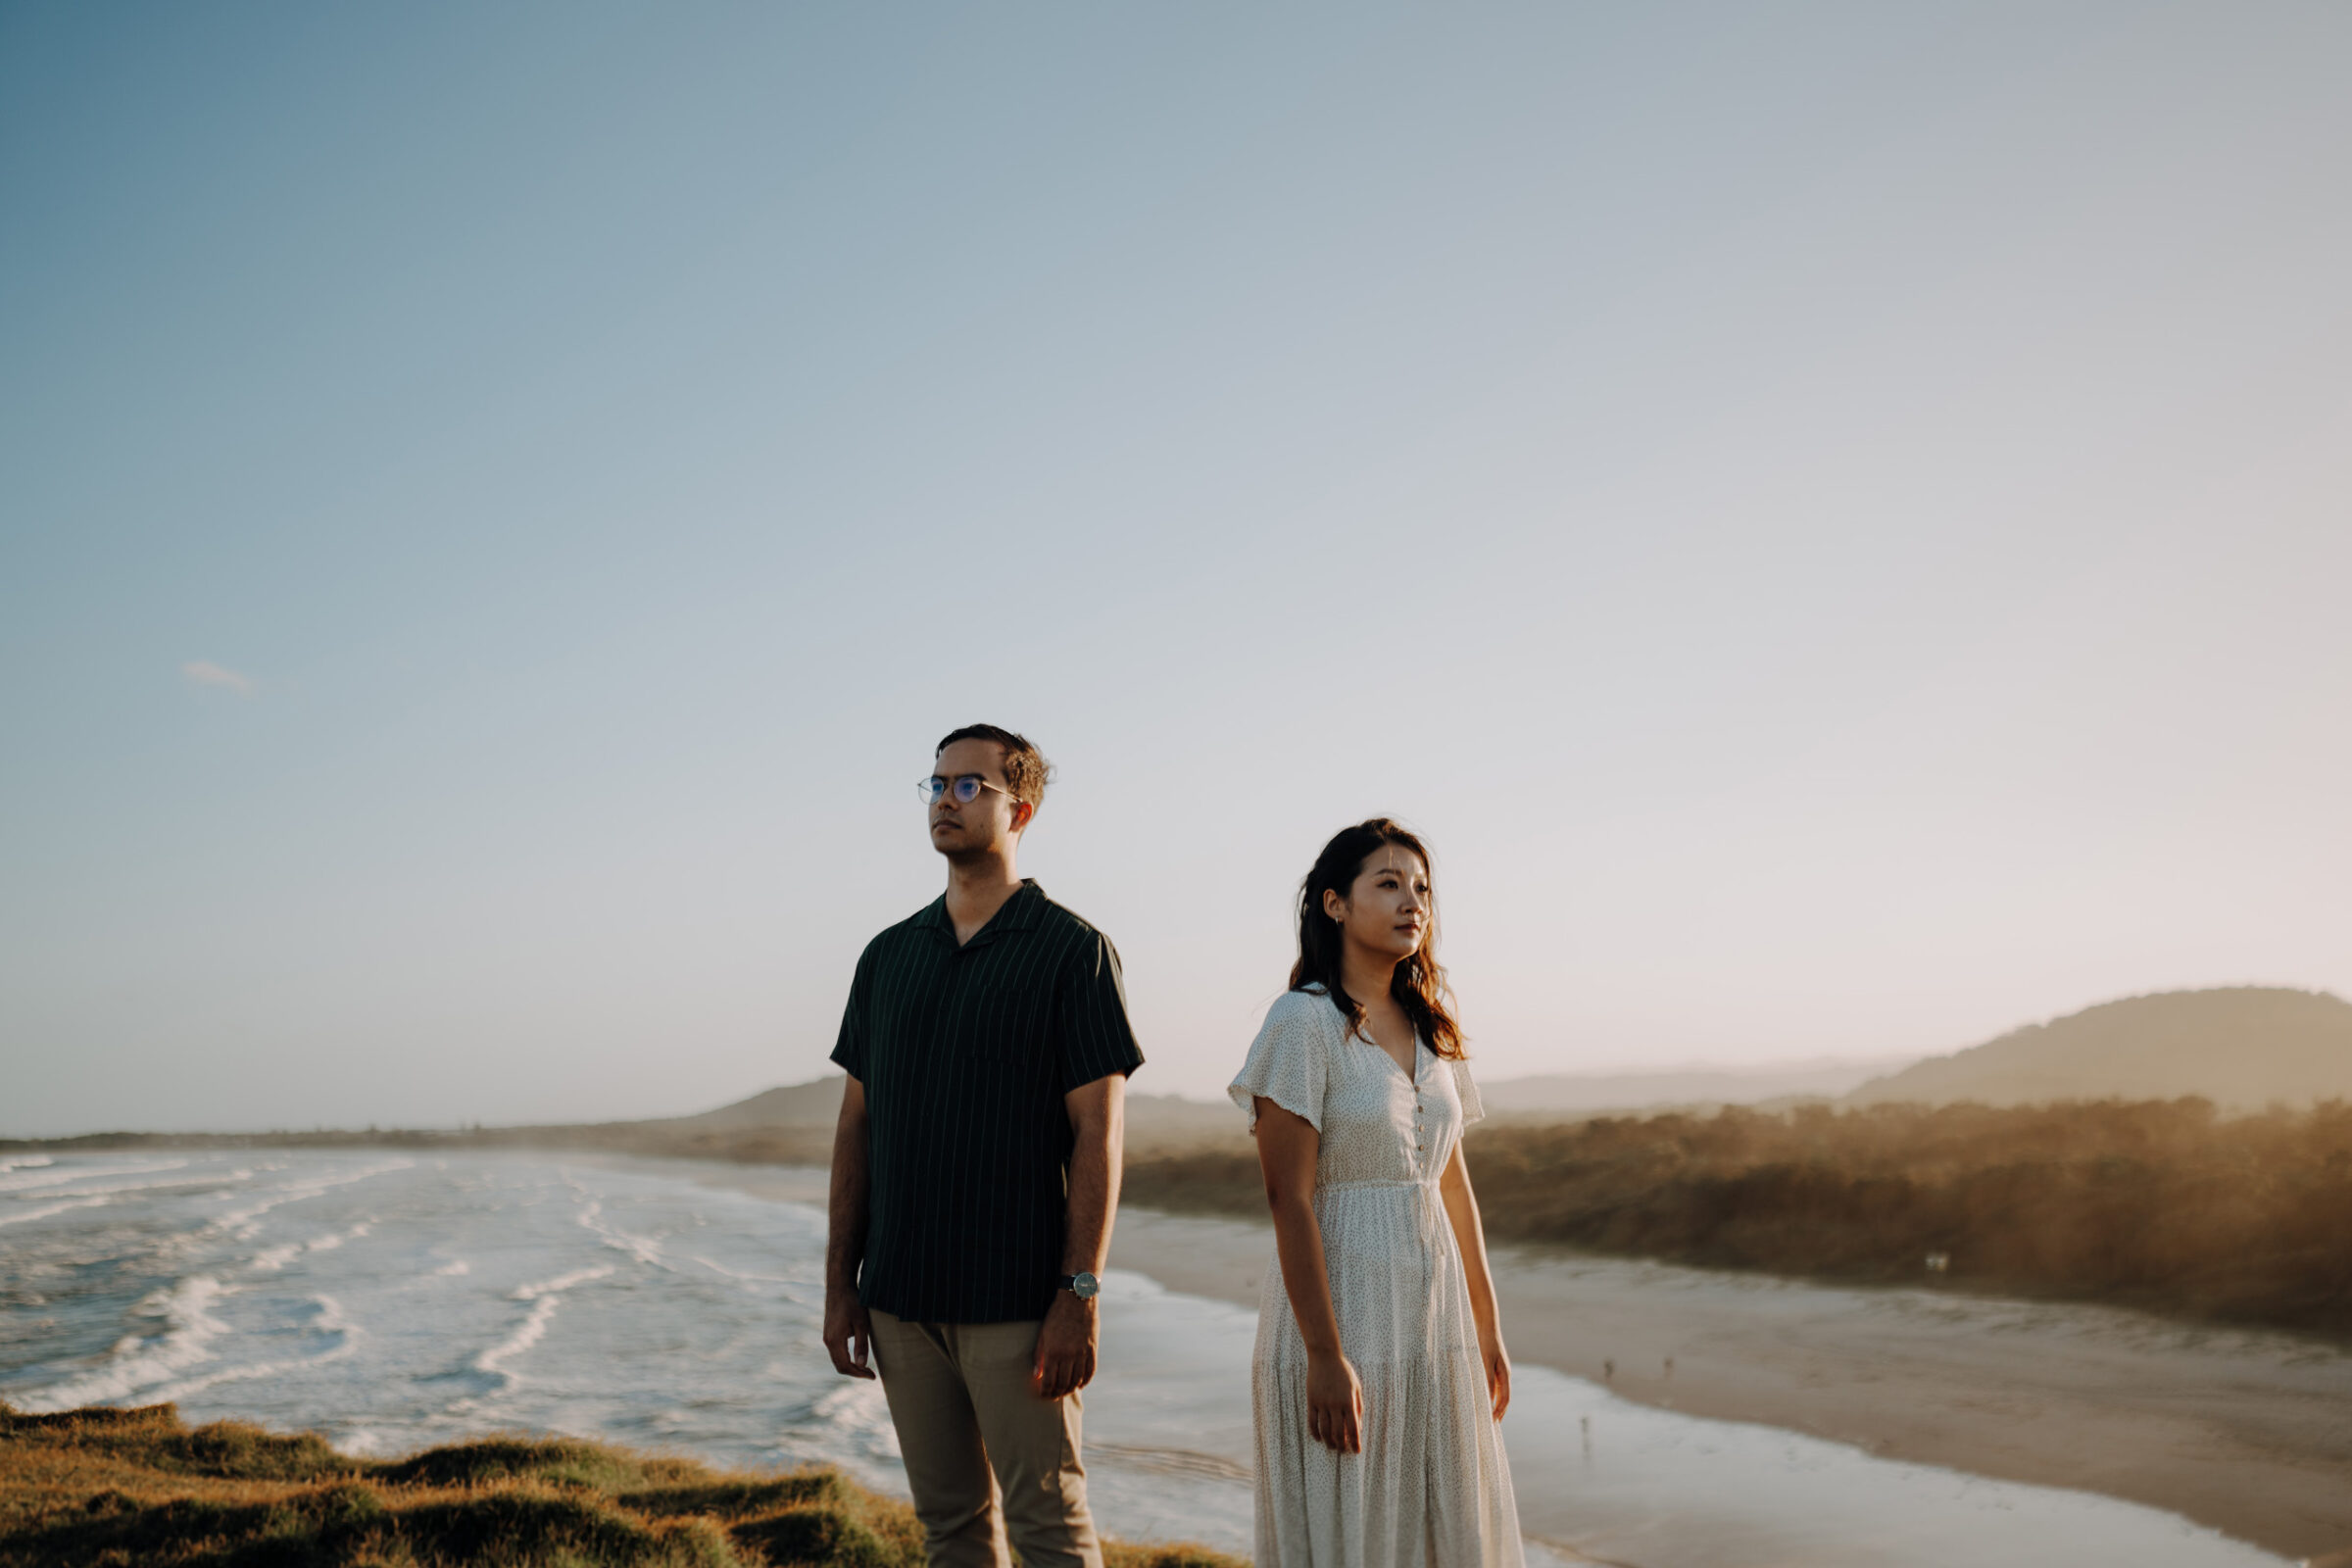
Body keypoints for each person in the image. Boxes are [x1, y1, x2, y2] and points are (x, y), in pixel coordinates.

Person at [823, 724, 1144, 1568]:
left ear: (1021, 809)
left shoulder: (1073, 952)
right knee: (951, 1531)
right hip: (899, 1299)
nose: (944, 800)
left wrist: (1080, 1293)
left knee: (1049, 1529)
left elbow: (1098, 1137)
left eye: (969, 786)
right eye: (935, 785)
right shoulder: (886, 957)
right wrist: (839, 1285)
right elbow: (856, 1129)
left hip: (1019, 1304)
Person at [1228, 818, 1523, 1567]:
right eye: (1388, 883)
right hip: (1343, 1322)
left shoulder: (1434, 1030)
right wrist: (1325, 1355)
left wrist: (1486, 1329)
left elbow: (1452, 1181)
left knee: (1447, 1533)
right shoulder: (1302, 1023)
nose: (1412, 902)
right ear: (1335, 904)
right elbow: (1287, 1199)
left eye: (1421, 888)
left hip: (1435, 1322)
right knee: (1347, 1535)